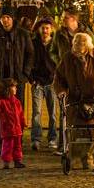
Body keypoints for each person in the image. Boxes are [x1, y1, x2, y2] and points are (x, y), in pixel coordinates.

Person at [53, 33, 94, 170]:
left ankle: (88, 160)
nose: (77, 45)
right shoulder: (68, 58)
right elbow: (59, 78)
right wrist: (61, 91)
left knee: (93, 132)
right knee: (75, 132)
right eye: (76, 42)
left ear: (88, 45)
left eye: (81, 43)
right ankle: (73, 159)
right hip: (75, 101)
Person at [0, 7, 33, 153]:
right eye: (3, 17)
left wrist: (25, 74)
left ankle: (17, 142)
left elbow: (30, 54)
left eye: (8, 17)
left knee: (16, 112)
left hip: (17, 79)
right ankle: (0, 143)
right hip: (0, 79)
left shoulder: (23, 34)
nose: (5, 20)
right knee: (0, 112)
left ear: (13, 19)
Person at [30, 17, 58, 151]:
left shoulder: (55, 44)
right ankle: (36, 139)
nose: (45, 30)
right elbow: (29, 61)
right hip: (38, 82)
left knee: (53, 113)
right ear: (39, 29)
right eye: (43, 28)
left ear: (51, 29)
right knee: (36, 112)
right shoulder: (34, 44)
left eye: (47, 28)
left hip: (52, 82)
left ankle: (53, 138)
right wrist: (32, 79)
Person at [0, 78, 26, 169]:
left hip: (17, 129)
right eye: (14, 87)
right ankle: (6, 161)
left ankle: (17, 161)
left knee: (18, 146)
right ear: (7, 89)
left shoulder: (17, 102)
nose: (16, 88)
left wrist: (23, 122)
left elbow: (20, 114)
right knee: (7, 146)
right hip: (7, 129)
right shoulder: (2, 102)